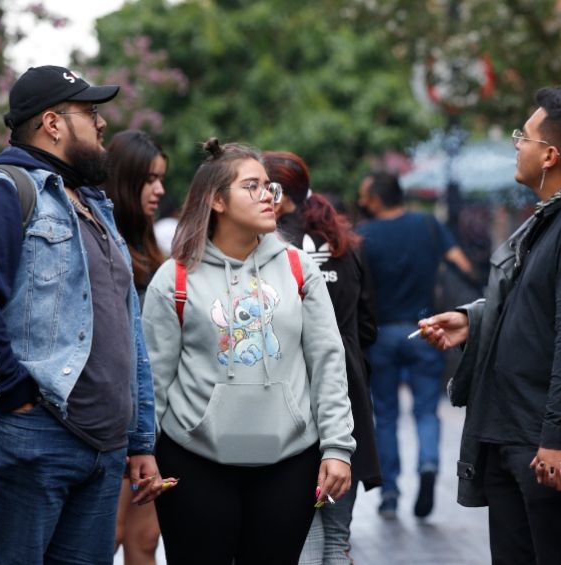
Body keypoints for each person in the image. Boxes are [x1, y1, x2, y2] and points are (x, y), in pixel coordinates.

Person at [0, 65, 170, 564]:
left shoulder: (93, 204)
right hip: (22, 437)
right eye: (90, 112)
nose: (102, 124)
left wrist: (138, 440)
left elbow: (127, 330)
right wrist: (14, 394)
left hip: (100, 451)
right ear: (53, 123)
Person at [418, 86, 561, 564]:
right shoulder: (549, 218)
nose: (516, 145)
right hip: (511, 433)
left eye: (522, 137)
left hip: (546, 445)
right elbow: (539, 307)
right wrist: (476, 320)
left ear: (550, 155)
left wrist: (560, 437)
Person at [142, 139, 355, 565]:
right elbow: (153, 377)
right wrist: (142, 449)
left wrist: (337, 447)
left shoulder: (299, 267)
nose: (268, 196)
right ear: (217, 201)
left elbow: (328, 362)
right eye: (252, 186)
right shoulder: (176, 277)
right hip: (193, 459)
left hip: (289, 461)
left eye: (269, 187)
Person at [262, 151, 380, 565]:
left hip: (293, 394)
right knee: (337, 535)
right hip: (346, 391)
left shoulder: (267, 247)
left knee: (304, 535)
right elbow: (368, 326)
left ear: (277, 193)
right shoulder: (344, 242)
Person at [356, 172, 474, 519]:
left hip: (382, 335)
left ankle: (389, 491)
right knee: (426, 409)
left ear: (376, 198)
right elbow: (462, 264)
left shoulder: (363, 235)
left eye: (365, 195)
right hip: (426, 329)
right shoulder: (428, 225)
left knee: (387, 415)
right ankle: (428, 464)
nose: (362, 201)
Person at [103, 129, 168, 564]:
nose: (160, 189)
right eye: (148, 179)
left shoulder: (150, 247)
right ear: (124, 182)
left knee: (144, 542)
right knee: (110, 534)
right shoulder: (104, 243)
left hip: (154, 418)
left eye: (161, 178)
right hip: (114, 416)